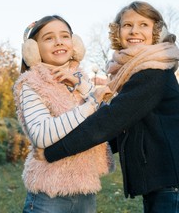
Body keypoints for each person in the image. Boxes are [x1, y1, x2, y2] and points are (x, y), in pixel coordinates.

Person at [43, 1, 179, 213]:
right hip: (164, 185)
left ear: (156, 31)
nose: (134, 31)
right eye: (127, 25)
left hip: (174, 186)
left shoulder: (153, 71)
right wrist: (82, 154)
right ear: (117, 32)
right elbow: (123, 130)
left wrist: (53, 151)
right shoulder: (133, 71)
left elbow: (112, 119)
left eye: (143, 25)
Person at [13, 15, 114, 213]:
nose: (59, 41)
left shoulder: (81, 79)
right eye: (49, 38)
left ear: (74, 43)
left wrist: (81, 85)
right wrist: (90, 104)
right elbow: (42, 135)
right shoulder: (31, 83)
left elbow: (105, 120)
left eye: (65, 36)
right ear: (33, 50)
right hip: (49, 193)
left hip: (85, 189)